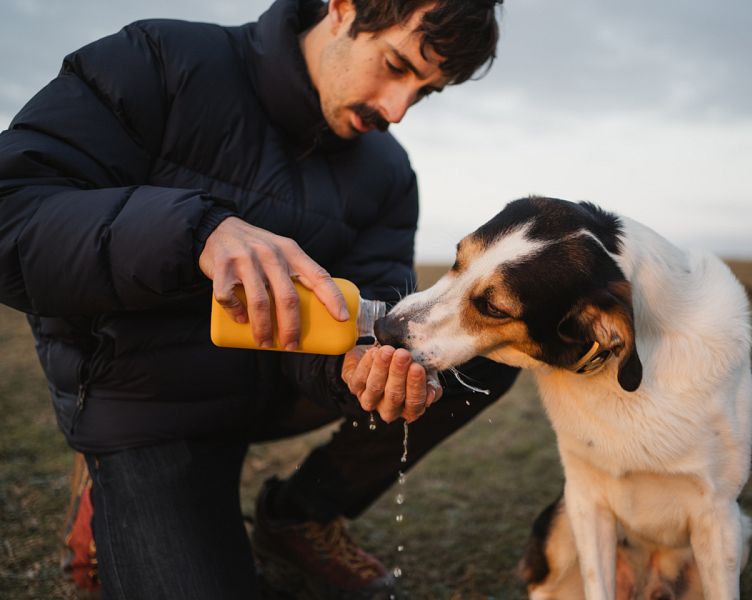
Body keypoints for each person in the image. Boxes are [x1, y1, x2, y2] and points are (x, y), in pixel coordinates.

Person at [0, 0, 517, 598]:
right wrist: (193, 232)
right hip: (149, 405)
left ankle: (298, 515)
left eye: (424, 92)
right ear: (343, 9)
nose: (397, 110)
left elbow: (369, 304)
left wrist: (358, 366)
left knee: (480, 351)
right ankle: (115, 496)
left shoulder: (388, 171)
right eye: (397, 65)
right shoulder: (160, 61)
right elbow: (12, 212)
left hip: (276, 386)